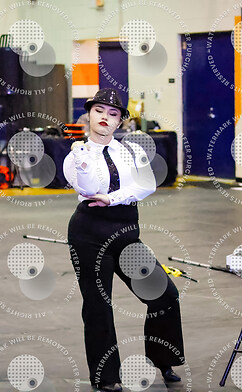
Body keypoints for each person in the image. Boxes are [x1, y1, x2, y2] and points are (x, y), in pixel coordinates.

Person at [63, 88, 185, 392]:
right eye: (99, 111)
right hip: (89, 234)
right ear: (88, 115)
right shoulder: (75, 155)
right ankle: (106, 378)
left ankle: (163, 359)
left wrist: (113, 197)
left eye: (113, 113)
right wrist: (84, 156)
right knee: (98, 306)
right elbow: (89, 188)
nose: (105, 117)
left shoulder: (131, 150)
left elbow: (147, 185)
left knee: (165, 295)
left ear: (120, 121)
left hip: (127, 234)